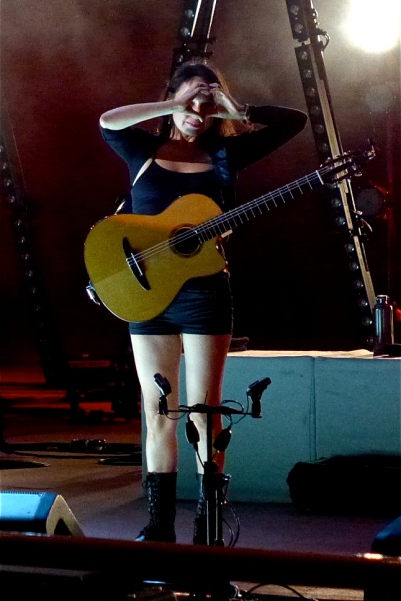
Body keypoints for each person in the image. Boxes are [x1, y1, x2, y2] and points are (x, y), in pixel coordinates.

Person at [99, 61, 307, 544]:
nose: (198, 110)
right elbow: (108, 120)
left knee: (204, 412)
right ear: (172, 97)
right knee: (157, 410)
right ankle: (158, 527)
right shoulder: (143, 150)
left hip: (203, 292)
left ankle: (206, 528)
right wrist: (177, 103)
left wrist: (238, 108)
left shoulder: (225, 154)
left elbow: (293, 121)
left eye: (206, 103)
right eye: (189, 99)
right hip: (149, 296)